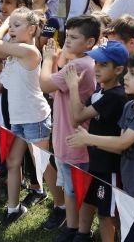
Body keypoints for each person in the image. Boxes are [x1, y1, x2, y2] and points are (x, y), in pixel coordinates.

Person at [66, 50, 134, 242]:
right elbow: (119, 147)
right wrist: (90, 142)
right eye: (127, 72)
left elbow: (124, 142)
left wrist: (89, 139)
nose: (126, 77)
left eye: (133, 74)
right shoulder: (129, 106)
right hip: (132, 188)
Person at [0, 7, 52, 227]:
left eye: (16, 25)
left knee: (43, 165)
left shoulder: (29, 52)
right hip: (17, 120)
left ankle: (60, 207)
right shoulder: (14, 51)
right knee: (13, 162)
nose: (11, 28)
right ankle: (14, 208)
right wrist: (5, 30)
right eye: (10, 24)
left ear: (32, 29)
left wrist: (2, 27)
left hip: (35, 117)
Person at [40, 15, 100, 241]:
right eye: (68, 34)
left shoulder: (79, 65)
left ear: (90, 42)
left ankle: (81, 230)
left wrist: (48, 59)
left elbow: (45, 84)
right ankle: (72, 227)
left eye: (75, 37)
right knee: (69, 188)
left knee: (77, 190)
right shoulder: (80, 63)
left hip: (74, 142)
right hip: (66, 139)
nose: (67, 40)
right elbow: (54, 91)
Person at [63, 41, 129, 242]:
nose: (97, 68)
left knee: (107, 214)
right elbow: (79, 116)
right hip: (98, 163)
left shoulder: (116, 96)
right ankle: (83, 234)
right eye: (96, 63)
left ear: (118, 69)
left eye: (103, 65)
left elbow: (78, 115)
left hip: (110, 166)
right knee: (92, 203)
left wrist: (74, 86)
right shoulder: (101, 93)